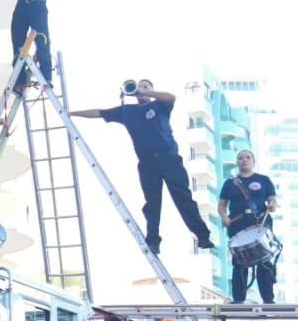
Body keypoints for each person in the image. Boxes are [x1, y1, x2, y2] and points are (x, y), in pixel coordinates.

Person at [72, 80, 214, 255]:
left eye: (146, 86)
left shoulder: (160, 106)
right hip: (147, 162)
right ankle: (153, 240)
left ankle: (202, 235)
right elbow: (99, 112)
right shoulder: (127, 111)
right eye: (139, 86)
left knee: (183, 198)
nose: (141, 89)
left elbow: (171, 97)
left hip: (169, 158)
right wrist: (72, 113)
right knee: (152, 203)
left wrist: (146, 93)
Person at [219, 150, 279, 304]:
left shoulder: (264, 180)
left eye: (247, 157)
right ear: (237, 162)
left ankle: (268, 299)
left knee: (265, 261)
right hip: (238, 224)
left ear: (254, 161)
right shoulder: (230, 183)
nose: (244, 160)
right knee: (239, 262)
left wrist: (272, 205)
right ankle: (238, 299)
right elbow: (222, 206)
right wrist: (224, 217)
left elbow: (272, 199)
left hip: (259, 222)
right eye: (240, 158)